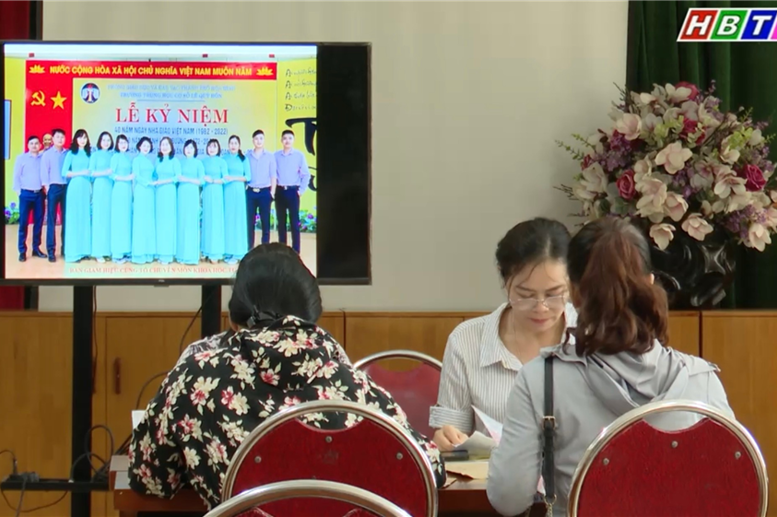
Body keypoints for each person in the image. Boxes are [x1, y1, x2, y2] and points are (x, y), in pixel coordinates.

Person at [129, 243, 446, 509]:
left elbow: (150, 478)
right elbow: (429, 467)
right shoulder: (355, 386)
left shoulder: (196, 379)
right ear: (313, 317)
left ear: (234, 319)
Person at [487, 218, 734, 517]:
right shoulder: (701, 380)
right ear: (650, 283)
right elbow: (733, 489)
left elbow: (509, 499)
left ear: (574, 293)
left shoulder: (542, 378)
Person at [430, 218, 575, 451]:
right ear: (504, 278)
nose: (541, 307)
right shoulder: (467, 341)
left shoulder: (593, 335)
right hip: (493, 474)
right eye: (525, 295)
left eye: (554, 294)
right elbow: (451, 434)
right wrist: (446, 439)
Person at [274, 129, 310, 253]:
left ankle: (295, 250)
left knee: (294, 223)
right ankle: (282, 249)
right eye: (285, 138)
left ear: (293, 140)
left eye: (290, 138)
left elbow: (306, 174)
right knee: (281, 222)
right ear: (281, 140)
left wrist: (301, 191)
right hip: (279, 191)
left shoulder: (299, 155)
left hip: (293, 192)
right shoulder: (275, 156)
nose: (287, 141)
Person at [12, 135, 45, 262]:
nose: (34, 145)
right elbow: (16, 176)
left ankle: (36, 248)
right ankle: (22, 251)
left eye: (36, 143)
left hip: (39, 194)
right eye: (32, 143)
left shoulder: (43, 158)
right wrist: (19, 192)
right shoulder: (21, 158)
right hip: (25, 194)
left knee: (38, 223)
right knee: (23, 223)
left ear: (40, 145)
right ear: (28, 145)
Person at [62, 129, 92, 263]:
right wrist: (80, 173)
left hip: (86, 188)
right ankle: (73, 253)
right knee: (74, 219)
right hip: (74, 187)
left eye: (85, 137)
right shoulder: (71, 154)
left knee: (84, 218)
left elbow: (91, 172)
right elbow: (64, 172)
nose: (82, 140)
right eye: (80, 137)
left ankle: (84, 251)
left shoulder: (89, 154)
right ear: (75, 139)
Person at [245, 129, 276, 249]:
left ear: (264, 140)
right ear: (253, 140)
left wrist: (272, 192)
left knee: (265, 222)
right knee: (250, 222)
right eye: (256, 139)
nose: (259, 141)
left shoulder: (270, 156)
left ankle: (265, 248)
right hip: (251, 192)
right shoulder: (247, 156)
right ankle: (249, 248)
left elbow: (273, 175)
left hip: (265, 192)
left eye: (261, 138)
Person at [40, 128, 67, 262]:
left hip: (66, 187)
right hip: (53, 187)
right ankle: (51, 250)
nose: (60, 139)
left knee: (66, 220)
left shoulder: (68, 153)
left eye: (62, 137)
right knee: (51, 219)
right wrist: (47, 187)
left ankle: (65, 248)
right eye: (57, 137)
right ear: (53, 139)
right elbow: (44, 172)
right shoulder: (47, 154)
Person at [223, 135, 250, 264]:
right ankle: (228, 251)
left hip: (238, 191)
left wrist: (233, 178)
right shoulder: (224, 159)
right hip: (226, 191)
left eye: (235, 143)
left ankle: (238, 252)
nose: (233, 146)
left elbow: (248, 177)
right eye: (231, 143)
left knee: (238, 220)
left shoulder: (243, 159)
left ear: (239, 145)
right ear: (228, 145)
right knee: (228, 221)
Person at [176, 140, 204, 265]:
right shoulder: (179, 162)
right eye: (187, 147)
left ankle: (191, 256)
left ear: (195, 150)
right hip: (181, 195)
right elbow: (177, 178)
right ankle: (181, 255)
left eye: (191, 148)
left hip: (193, 195)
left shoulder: (198, 163)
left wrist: (186, 179)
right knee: (182, 224)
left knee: (192, 224)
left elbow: (201, 181)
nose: (189, 150)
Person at [154, 137, 179, 264]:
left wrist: (163, 181)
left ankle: (168, 254)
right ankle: (160, 252)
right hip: (159, 193)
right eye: (162, 144)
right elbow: (154, 176)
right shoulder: (157, 161)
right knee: (159, 222)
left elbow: (177, 177)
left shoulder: (175, 161)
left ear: (171, 147)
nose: (164, 147)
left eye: (167, 144)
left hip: (169, 192)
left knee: (168, 222)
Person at [89, 131, 114, 262]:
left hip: (110, 188)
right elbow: (91, 172)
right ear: (99, 141)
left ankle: (107, 250)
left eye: (108, 140)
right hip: (99, 187)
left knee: (108, 219)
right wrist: (105, 172)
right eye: (104, 140)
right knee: (99, 218)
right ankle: (98, 251)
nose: (106, 142)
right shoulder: (95, 155)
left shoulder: (112, 155)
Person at [131, 137, 156, 264]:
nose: (146, 148)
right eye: (144, 145)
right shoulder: (136, 160)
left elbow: (154, 176)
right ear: (139, 146)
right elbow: (137, 176)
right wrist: (148, 183)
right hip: (141, 190)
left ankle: (148, 253)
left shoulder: (150, 161)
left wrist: (154, 183)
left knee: (149, 221)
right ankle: (139, 254)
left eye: (148, 146)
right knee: (140, 221)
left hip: (150, 193)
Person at [201, 139, 227, 263]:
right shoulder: (203, 162)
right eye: (210, 146)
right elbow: (200, 176)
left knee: (216, 221)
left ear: (218, 149)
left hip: (217, 192)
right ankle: (206, 250)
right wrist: (204, 179)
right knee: (207, 220)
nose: (212, 149)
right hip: (206, 192)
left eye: (214, 147)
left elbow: (225, 178)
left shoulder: (222, 162)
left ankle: (215, 253)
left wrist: (213, 181)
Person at [109, 134, 133, 264]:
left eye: (125, 142)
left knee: (126, 220)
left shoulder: (128, 158)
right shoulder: (115, 157)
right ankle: (117, 253)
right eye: (121, 142)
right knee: (118, 221)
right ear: (117, 145)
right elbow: (111, 174)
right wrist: (125, 178)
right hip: (119, 189)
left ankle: (125, 251)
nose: (123, 145)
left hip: (127, 190)